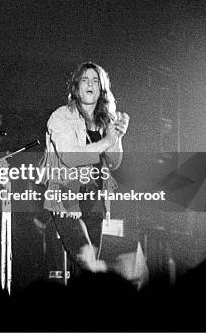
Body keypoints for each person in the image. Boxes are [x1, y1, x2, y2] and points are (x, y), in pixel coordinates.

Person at [41, 62, 129, 273]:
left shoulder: (105, 119)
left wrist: (116, 137)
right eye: (85, 80)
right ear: (76, 87)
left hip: (95, 200)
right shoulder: (61, 116)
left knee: (85, 272)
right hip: (66, 198)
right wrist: (106, 141)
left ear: (102, 89)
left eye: (96, 81)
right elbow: (69, 155)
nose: (90, 84)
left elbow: (115, 162)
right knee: (89, 264)